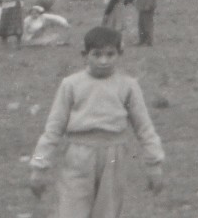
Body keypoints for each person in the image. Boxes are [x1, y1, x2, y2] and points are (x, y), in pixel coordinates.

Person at [28, 26, 164, 217]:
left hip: (114, 155)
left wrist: (154, 165)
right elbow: (53, 129)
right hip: (78, 155)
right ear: (85, 55)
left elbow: (144, 128)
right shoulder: (71, 85)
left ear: (120, 54)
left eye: (110, 54)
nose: (103, 61)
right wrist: (38, 167)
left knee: (107, 212)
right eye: (97, 54)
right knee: (71, 210)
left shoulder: (128, 86)